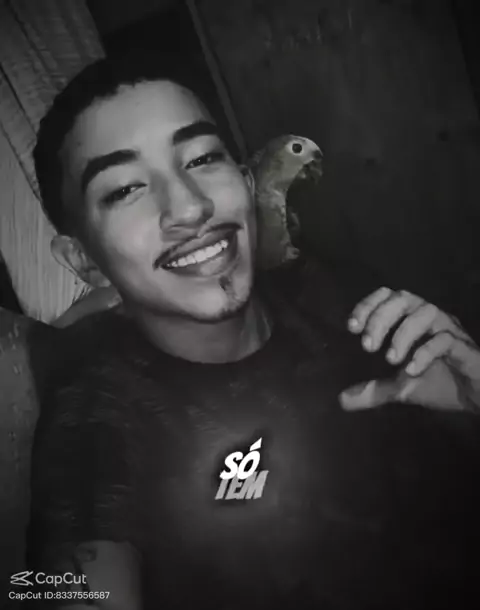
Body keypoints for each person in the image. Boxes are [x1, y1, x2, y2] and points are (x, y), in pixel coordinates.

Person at [27, 52, 480, 610]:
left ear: (244, 180)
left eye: (201, 159)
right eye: (125, 189)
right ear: (84, 260)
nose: (189, 207)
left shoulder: (338, 295)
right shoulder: (99, 413)